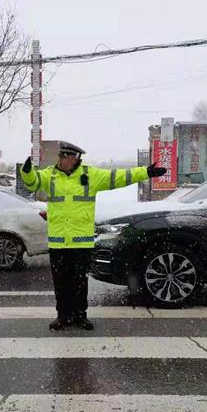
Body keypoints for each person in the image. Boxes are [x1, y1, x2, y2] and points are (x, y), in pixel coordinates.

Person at [20, 141, 167, 331]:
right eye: (61, 156)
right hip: (58, 241)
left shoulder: (91, 175)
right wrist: (27, 171)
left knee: (80, 282)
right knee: (61, 282)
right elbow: (32, 182)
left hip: (81, 241)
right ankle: (62, 317)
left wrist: (146, 172)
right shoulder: (50, 175)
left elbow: (119, 177)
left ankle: (80, 316)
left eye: (65, 157)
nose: (61, 160)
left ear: (75, 159)